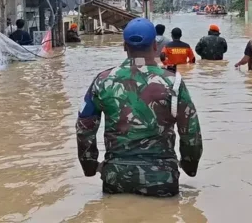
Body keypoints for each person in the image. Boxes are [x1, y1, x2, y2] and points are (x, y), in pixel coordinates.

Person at [76, 18, 203, 197]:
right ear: (154, 46)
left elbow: (84, 129)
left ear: (124, 46)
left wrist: (90, 166)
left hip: (116, 177)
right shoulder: (173, 82)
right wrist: (190, 166)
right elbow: (190, 131)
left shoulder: (103, 80)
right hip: (162, 177)